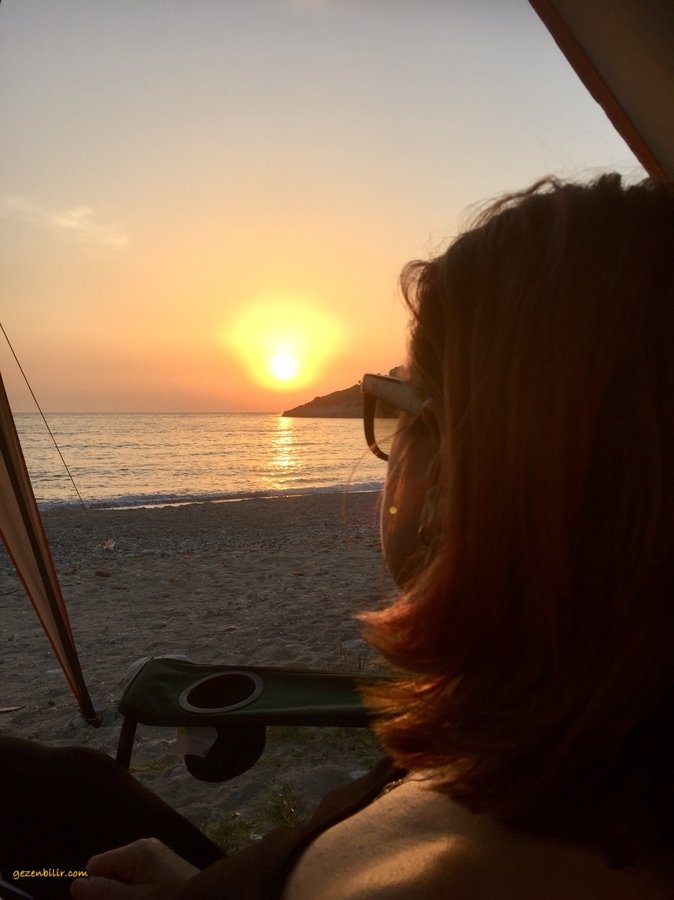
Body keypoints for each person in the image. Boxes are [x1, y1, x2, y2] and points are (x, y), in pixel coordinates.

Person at [2, 173, 673, 899]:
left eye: (397, 407)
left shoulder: (453, 869)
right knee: (66, 781)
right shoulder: (580, 735)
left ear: (453, 466)